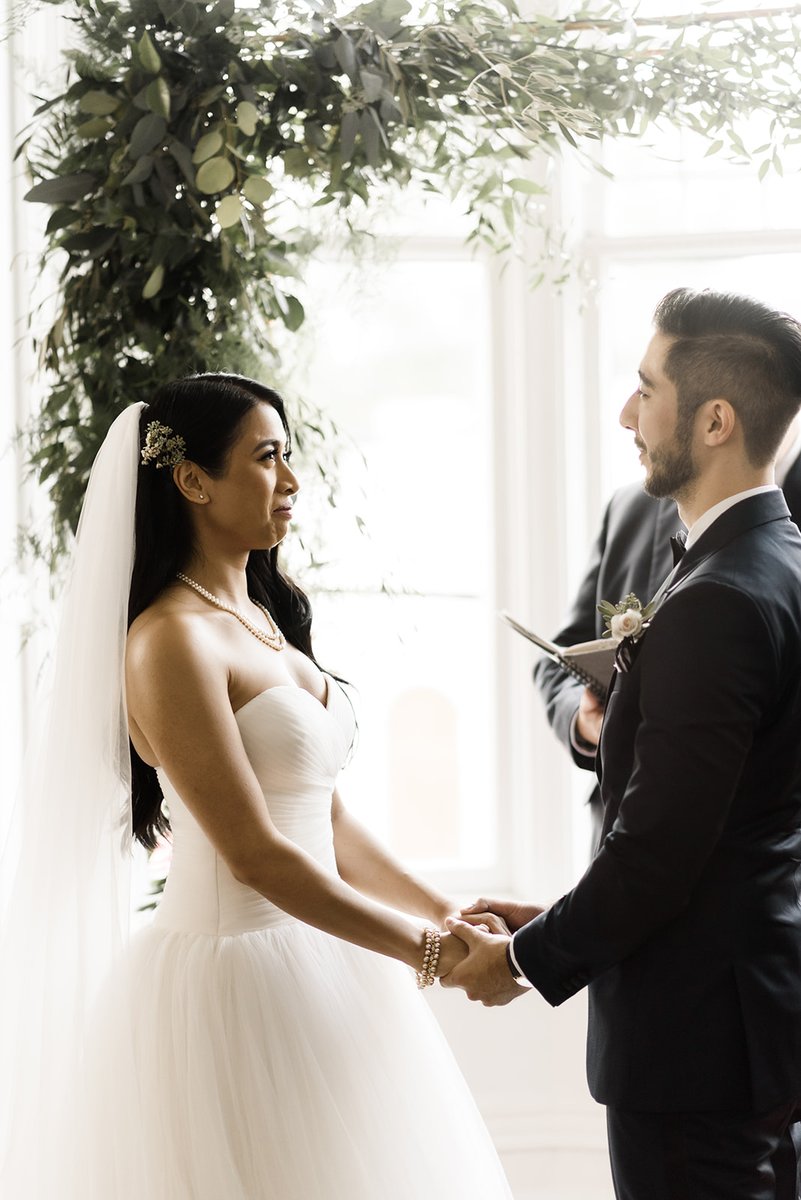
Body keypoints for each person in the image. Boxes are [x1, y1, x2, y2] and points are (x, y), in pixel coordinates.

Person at [0, 375, 513, 1199]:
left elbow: (328, 818)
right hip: (234, 983)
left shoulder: (266, 616)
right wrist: (426, 952)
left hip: (327, 959)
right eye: (266, 457)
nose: (292, 480)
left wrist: (441, 913)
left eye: (288, 455)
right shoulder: (168, 640)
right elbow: (253, 855)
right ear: (193, 480)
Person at [443, 288, 801, 1199]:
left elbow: (659, 852)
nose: (625, 414)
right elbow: (709, 827)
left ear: (714, 420)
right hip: (748, 1017)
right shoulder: (775, 559)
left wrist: (523, 961)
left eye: (646, 389)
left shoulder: (717, 600)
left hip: (693, 1049)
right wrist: (560, 911)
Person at [535, 424, 801, 851]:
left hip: (757, 863)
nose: (631, 416)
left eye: (650, 389)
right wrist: (586, 724)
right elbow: (562, 653)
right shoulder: (630, 506)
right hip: (619, 848)